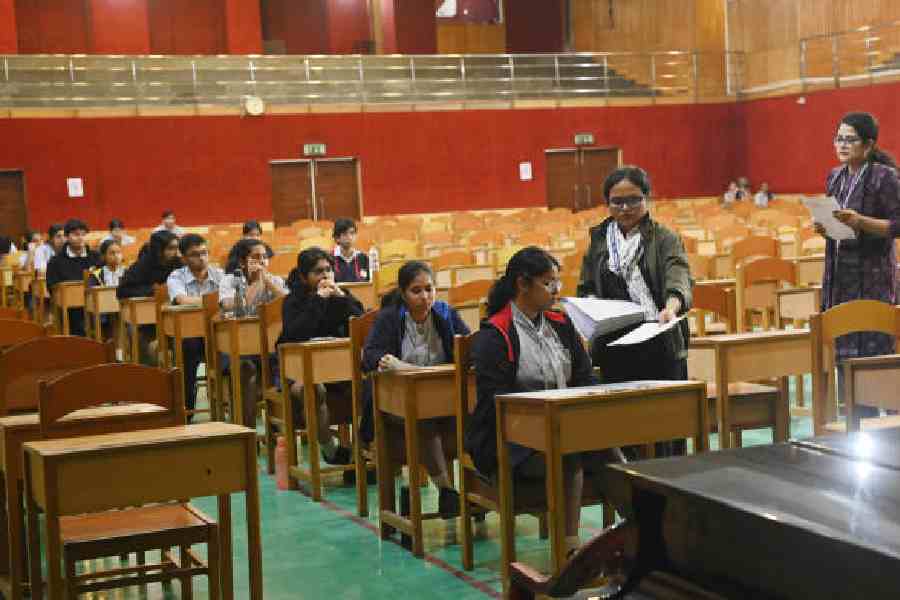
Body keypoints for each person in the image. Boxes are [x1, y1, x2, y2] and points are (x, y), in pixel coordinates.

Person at [465, 246, 624, 557]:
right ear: (523, 285)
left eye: (557, 281)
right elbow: (495, 403)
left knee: (610, 447)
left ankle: (643, 533)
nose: (557, 290)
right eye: (548, 283)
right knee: (568, 458)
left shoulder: (562, 326)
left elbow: (585, 377)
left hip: (564, 428)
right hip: (510, 440)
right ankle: (569, 554)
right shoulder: (495, 334)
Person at [578, 166, 692, 454]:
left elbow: (678, 275)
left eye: (634, 200)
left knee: (667, 425)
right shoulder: (600, 240)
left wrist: (671, 307)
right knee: (623, 426)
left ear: (647, 198)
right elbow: (587, 284)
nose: (625, 208)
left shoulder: (664, 238)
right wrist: (590, 305)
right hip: (615, 343)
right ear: (608, 203)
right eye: (617, 202)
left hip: (660, 338)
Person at [361, 261, 470, 517]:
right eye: (416, 290)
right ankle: (446, 490)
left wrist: (405, 366)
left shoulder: (445, 313)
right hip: (399, 403)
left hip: (443, 398)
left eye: (429, 289)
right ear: (403, 293)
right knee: (423, 419)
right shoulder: (389, 317)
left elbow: (468, 348)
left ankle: (478, 494)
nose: (425, 297)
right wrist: (389, 363)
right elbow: (370, 355)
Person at [815, 112, 900, 420]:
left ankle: (887, 428)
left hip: (873, 280)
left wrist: (860, 221)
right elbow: (837, 220)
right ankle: (855, 422)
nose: (842, 144)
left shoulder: (883, 176)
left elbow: (896, 225)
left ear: (868, 144)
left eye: (850, 139)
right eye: (839, 137)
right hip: (840, 281)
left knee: (874, 359)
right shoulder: (835, 176)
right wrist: (825, 227)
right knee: (845, 358)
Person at [276, 247, 364, 466]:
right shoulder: (293, 302)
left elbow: (361, 323)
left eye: (328, 270)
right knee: (313, 389)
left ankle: (364, 450)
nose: (325, 276)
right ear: (304, 277)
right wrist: (318, 300)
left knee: (371, 384)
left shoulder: (340, 295)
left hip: (337, 367)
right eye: (318, 272)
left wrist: (342, 298)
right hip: (298, 370)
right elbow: (296, 334)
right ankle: (331, 450)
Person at [218, 238, 288, 427]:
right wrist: (257, 283)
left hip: (269, 346)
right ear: (242, 262)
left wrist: (269, 283)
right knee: (246, 369)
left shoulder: (275, 280)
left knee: (288, 365)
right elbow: (236, 307)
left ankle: (279, 427)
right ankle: (247, 431)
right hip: (237, 347)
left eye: (265, 257)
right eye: (256, 257)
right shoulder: (229, 280)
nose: (263, 262)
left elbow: (289, 305)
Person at [167, 234, 225, 418]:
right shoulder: (176, 276)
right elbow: (182, 299)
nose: (201, 257)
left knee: (230, 347)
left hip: (215, 332)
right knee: (188, 348)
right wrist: (214, 302)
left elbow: (230, 301)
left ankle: (223, 404)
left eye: (204, 252)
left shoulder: (220, 275)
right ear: (183, 258)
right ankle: (187, 409)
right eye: (194, 254)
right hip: (188, 335)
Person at [117, 230, 182, 365]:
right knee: (139, 338)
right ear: (159, 249)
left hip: (171, 317)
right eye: (170, 248)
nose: (175, 252)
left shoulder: (178, 264)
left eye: (176, 248)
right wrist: (152, 290)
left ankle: (178, 374)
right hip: (144, 321)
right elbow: (122, 290)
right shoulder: (142, 265)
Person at [46, 219, 101, 337]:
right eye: (76, 234)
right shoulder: (56, 261)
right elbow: (51, 286)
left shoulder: (95, 257)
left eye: (83, 234)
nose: (80, 238)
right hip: (69, 309)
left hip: (94, 303)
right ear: (67, 237)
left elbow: (102, 279)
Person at [87, 239, 126, 339]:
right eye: (112, 253)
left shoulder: (127, 272)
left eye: (118, 252)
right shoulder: (97, 274)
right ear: (104, 256)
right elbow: (91, 292)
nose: (116, 256)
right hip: (104, 313)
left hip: (123, 310)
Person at [332, 218, 370, 283]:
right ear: (337, 238)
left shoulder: (363, 258)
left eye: (352, 233)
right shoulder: (330, 258)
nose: (349, 237)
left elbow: (369, 281)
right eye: (345, 234)